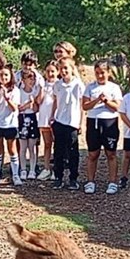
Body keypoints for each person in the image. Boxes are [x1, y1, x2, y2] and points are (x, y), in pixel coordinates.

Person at [82, 60, 123, 195]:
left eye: (103, 73)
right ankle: (90, 181)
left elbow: (118, 107)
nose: (100, 76)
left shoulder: (114, 88)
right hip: (93, 121)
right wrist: (96, 100)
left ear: (108, 73)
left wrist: (106, 101)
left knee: (110, 153)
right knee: (93, 153)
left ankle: (112, 182)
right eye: (97, 73)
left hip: (109, 122)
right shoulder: (90, 87)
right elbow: (85, 106)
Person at [50, 56, 85, 190]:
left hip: (72, 122)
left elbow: (81, 105)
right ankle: (58, 177)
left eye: (66, 68)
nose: (63, 71)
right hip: (60, 121)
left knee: (72, 152)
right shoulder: (58, 85)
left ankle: (73, 178)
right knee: (58, 151)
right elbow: (55, 101)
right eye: (61, 68)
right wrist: (52, 116)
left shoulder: (78, 85)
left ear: (71, 69)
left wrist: (81, 123)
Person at [0, 65, 22, 186]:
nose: (3, 77)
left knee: (12, 150)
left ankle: (15, 175)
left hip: (10, 124)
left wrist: (7, 98)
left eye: (6, 75)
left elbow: (14, 108)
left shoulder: (15, 90)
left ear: (10, 76)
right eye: (1, 75)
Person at [17, 68, 42, 181]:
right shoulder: (19, 91)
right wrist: (28, 104)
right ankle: (23, 169)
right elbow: (18, 108)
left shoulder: (35, 91)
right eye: (29, 78)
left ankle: (32, 169)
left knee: (32, 147)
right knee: (22, 147)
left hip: (32, 119)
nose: (32, 80)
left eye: (33, 78)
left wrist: (33, 104)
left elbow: (36, 108)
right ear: (23, 79)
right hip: (22, 119)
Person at [36, 61, 57, 180]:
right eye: (48, 71)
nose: (50, 74)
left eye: (53, 71)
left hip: (55, 117)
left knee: (57, 144)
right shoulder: (43, 85)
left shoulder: (59, 85)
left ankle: (56, 169)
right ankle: (46, 168)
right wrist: (42, 89)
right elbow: (39, 101)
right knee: (47, 144)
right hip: (44, 116)